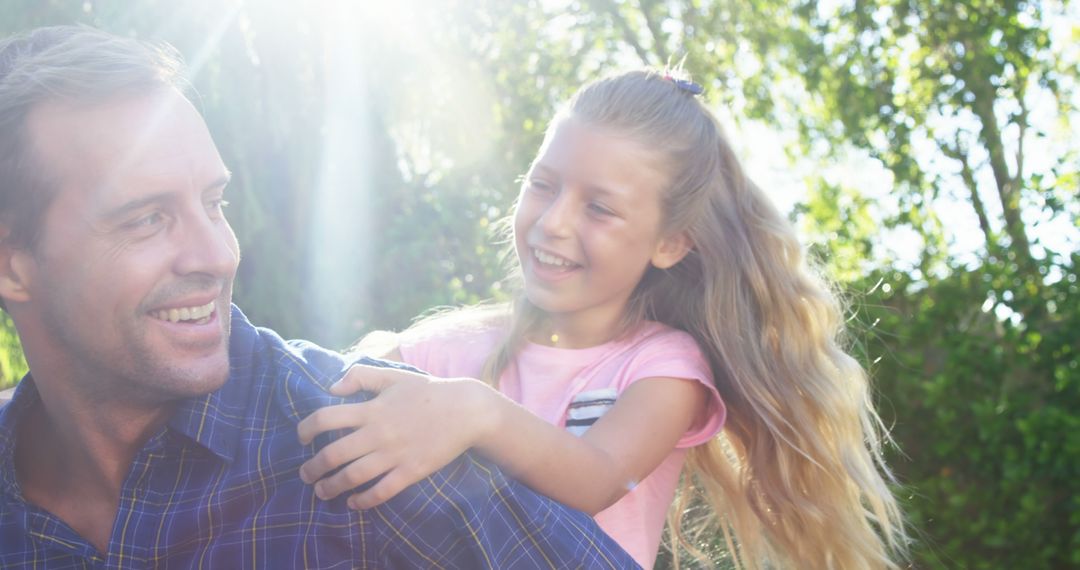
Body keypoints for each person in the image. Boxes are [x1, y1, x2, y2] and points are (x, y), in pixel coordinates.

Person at [0, 25, 640, 569]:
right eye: (146, 218)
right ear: (13, 266)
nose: (219, 256)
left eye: (213, 203)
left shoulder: (373, 441)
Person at [296, 70, 910, 569]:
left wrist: (474, 412)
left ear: (670, 243)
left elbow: (598, 478)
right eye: (543, 184)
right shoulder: (435, 353)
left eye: (599, 207)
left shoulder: (664, 367)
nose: (554, 221)